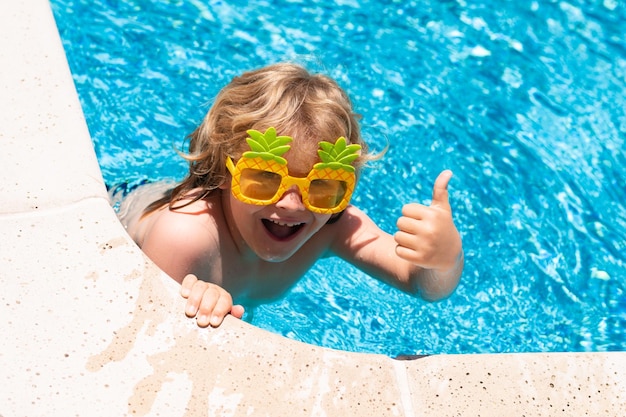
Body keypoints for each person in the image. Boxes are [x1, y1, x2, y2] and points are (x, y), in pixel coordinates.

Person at [116, 62, 464, 328]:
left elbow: (421, 285)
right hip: (124, 206)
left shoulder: (331, 225)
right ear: (223, 171)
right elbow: (147, 333)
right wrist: (199, 303)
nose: (291, 203)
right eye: (265, 177)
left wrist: (443, 259)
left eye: (322, 184)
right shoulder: (184, 237)